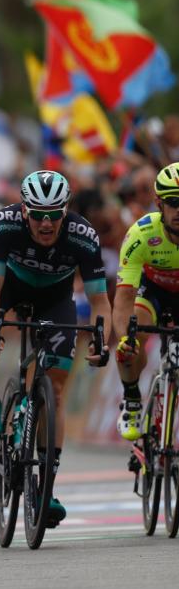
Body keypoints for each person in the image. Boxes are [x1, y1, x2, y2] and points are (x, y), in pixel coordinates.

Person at [0, 169, 110, 525]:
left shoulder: (83, 236)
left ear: (65, 211)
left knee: (53, 390)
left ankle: (47, 486)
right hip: (9, 284)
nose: (45, 223)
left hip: (55, 298)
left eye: (54, 215)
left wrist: (101, 341)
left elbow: (101, 303)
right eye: (37, 215)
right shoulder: (4, 224)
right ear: (24, 211)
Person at [113, 162, 179, 440]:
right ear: (159, 204)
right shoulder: (141, 234)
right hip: (152, 292)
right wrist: (123, 338)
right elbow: (124, 295)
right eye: (174, 202)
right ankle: (131, 400)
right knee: (130, 337)